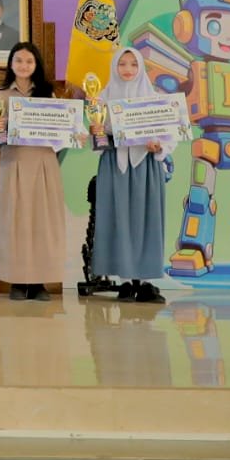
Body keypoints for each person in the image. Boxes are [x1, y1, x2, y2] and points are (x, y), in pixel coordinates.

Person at [0, 41, 68, 301]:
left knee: (43, 222)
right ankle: (17, 281)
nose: (24, 65)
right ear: (11, 64)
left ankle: (38, 283)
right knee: (15, 221)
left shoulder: (48, 94)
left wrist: (72, 132)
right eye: (19, 60)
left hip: (44, 164)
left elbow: (61, 130)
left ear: (36, 65)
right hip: (14, 162)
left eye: (29, 61)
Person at [92, 46, 169, 303]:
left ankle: (144, 281)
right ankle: (124, 280)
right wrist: (97, 130)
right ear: (114, 67)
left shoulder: (154, 98)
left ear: (141, 68)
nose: (128, 69)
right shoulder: (102, 98)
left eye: (133, 64)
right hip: (114, 164)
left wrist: (159, 145)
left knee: (144, 220)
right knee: (116, 218)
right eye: (122, 64)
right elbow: (96, 138)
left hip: (145, 166)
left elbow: (168, 133)